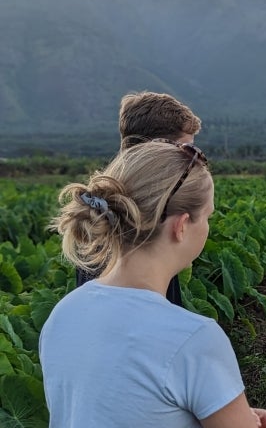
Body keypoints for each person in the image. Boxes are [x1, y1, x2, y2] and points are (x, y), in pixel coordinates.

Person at [40, 139, 266, 428]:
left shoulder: (64, 313)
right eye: (208, 217)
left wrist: (214, 419)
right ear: (181, 225)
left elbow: (109, 425)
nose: (208, 227)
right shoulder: (193, 338)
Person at [75, 90, 203, 306]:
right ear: (156, 151)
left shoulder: (101, 202)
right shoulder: (133, 212)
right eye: (186, 150)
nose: (191, 161)